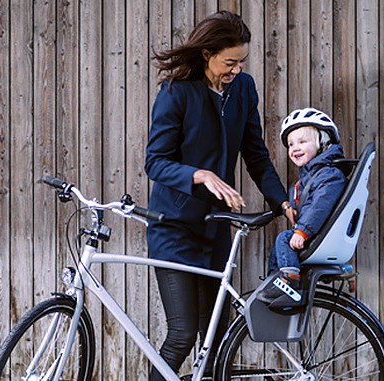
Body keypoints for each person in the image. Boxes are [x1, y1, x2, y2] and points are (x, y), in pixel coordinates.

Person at [144, 10, 293, 380]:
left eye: (241, 62)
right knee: (182, 335)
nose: (236, 70)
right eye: (230, 62)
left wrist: (282, 201)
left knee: (216, 343)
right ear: (208, 54)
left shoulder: (243, 89)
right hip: (174, 230)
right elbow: (155, 162)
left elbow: (256, 154)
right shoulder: (176, 92)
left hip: (216, 231)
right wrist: (199, 174)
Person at [255, 107, 348, 304]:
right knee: (279, 248)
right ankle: (274, 281)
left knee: (284, 239)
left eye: (302, 141)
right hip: (314, 232)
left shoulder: (329, 175)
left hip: (318, 234)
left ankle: (288, 280)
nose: (295, 148)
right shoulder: (313, 175)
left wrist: (302, 231)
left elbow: (320, 207)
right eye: (290, 144)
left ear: (322, 142)